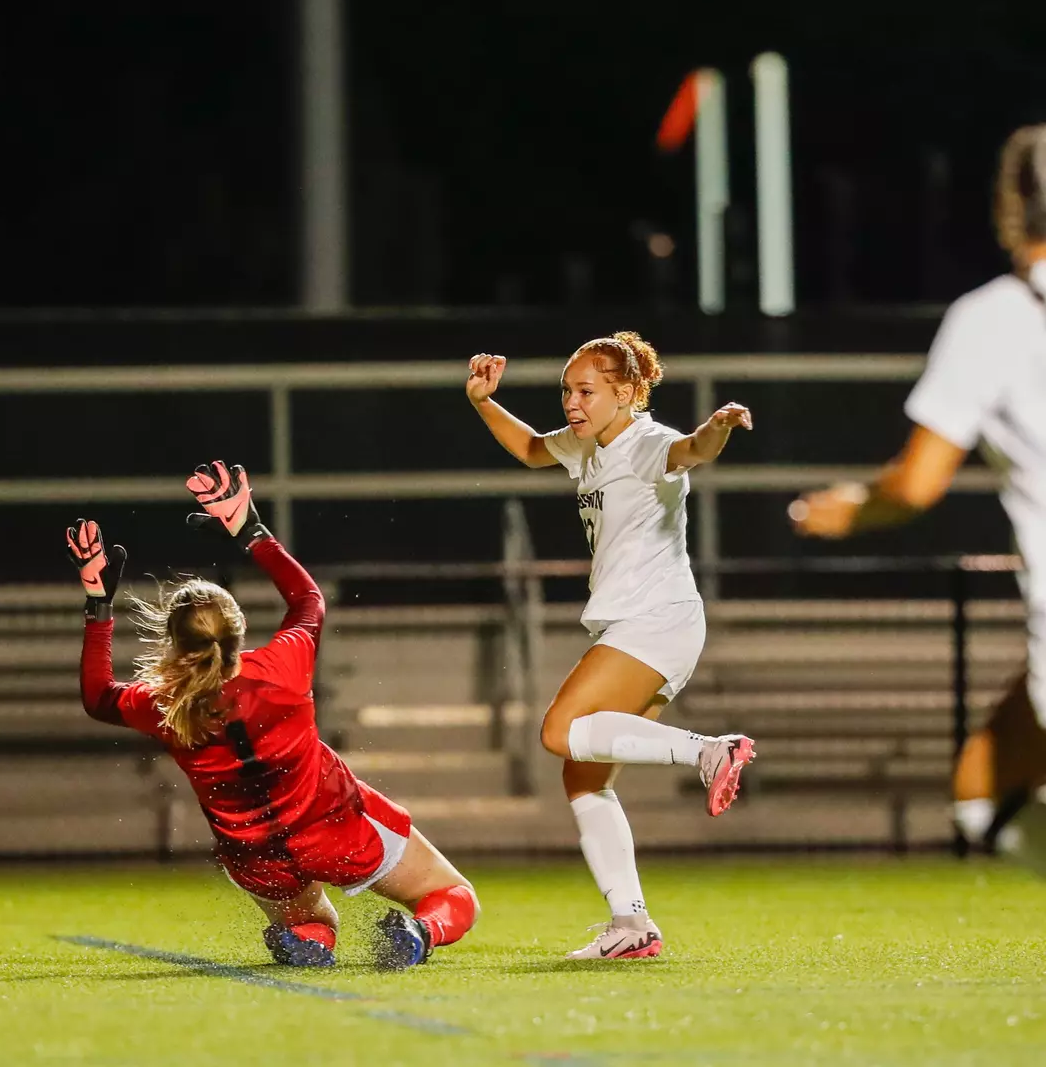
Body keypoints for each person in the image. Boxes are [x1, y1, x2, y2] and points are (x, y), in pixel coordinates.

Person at [68, 460, 479, 970]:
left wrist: (97, 602)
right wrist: (249, 529)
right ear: (237, 629)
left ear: (173, 643)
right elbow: (308, 600)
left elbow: (96, 695)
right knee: (454, 894)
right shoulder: (279, 669)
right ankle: (419, 933)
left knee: (312, 919)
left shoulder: (165, 704)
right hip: (333, 828)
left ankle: (310, 940)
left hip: (253, 853)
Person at [790, 124, 1046, 863]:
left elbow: (916, 482)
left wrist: (851, 508)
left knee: (978, 800)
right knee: (981, 788)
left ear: (1008, 207)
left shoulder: (992, 318)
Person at [467, 335, 756, 959]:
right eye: (567, 391)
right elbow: (528, 448)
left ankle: (710, 750)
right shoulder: (585, 444)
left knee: (557, 731)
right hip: (646, 625)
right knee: (584, 778)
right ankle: (631, 925)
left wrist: (717, 426)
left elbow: (691, 450)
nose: (573, 402)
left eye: (587, 391)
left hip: (654, 621)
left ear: (626, 393)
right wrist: (484, 402)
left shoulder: (646, 442)